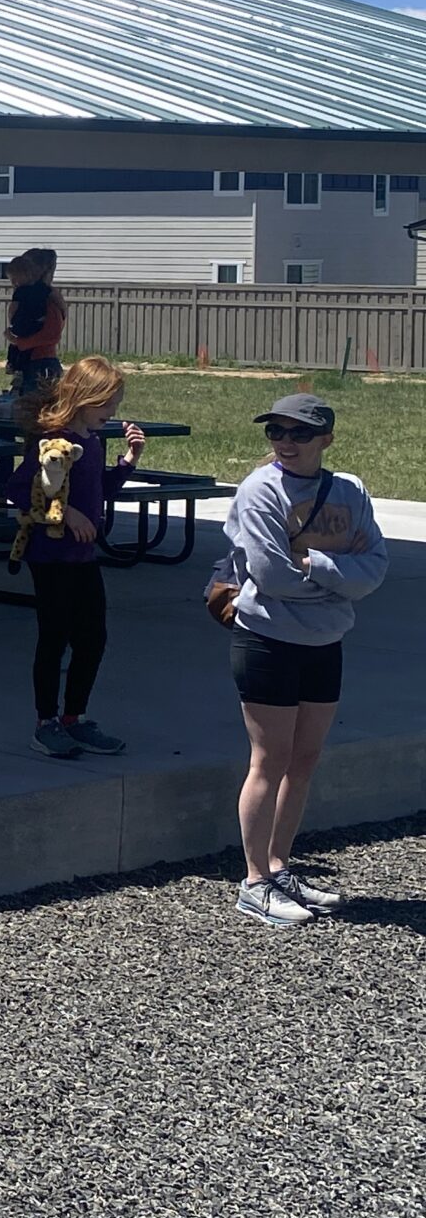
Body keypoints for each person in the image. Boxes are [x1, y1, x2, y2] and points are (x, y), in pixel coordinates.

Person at [221, 393, 387, 927]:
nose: (285, 443)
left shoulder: (350, 490)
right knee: (268, 761)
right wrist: (340, 582)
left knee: (305, 758)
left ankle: (279, 864)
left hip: (325, 643)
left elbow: (375, 567)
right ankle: (254, 881)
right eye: (276, 433)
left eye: (298, 434)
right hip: (266, 641)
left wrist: (315, 563)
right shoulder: (259, 490)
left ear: (325, 440)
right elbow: (270, 576)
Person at [5, 357, 144, 759]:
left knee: (92, 637)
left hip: (82, 556)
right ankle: (45, 722)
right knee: (55, 637)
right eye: (107, 403)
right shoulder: (55, 441)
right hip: (50, 555)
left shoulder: (93, 442)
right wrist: (67, 514)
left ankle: (74, 718)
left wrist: (129, 462)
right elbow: (18, 488)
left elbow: (97, 490)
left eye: (115, 403)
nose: (113, 411)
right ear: (83, 399)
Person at [4, 248, 65, 392]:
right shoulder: (27, 296)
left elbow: (51, 335)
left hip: (42, 362)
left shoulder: (48, 301)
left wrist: (18, 341)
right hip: (28, 361)